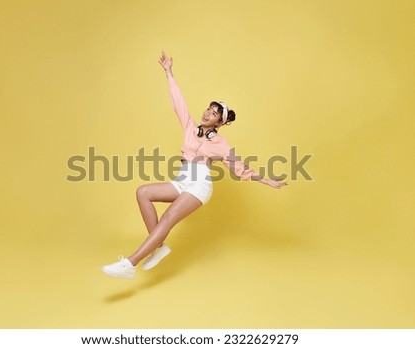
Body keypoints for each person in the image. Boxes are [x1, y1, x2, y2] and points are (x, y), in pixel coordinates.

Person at [102, 51, 288, 279]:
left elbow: (240, 168)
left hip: (199, 186)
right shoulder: (190, 127)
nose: (207, 113)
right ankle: (158, 247)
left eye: (214, 113)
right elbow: (178, 101)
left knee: (169, 217)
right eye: (208, 109)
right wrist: (169, 72)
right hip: (182, 181)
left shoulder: (220, 143)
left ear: (220, 122)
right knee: (143, 192)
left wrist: (267, 181)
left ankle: (130, 264)